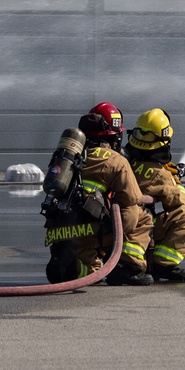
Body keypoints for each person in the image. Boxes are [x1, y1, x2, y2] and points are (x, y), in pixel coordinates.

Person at [44, 102, 155, 286]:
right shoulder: (115, 160)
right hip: (88, 229)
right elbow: (132, 198)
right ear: (114, 134)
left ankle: (72, 264)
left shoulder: (70, 157)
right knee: (141, 216)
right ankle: (128, 268)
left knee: (88, 269)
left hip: (58, 229)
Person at [124, 108, 185, 282]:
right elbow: (180, 202)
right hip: (136, 230)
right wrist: (175, 181)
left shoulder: (124, 162)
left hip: (114, 229)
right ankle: (161, 264)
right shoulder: (161, 174)